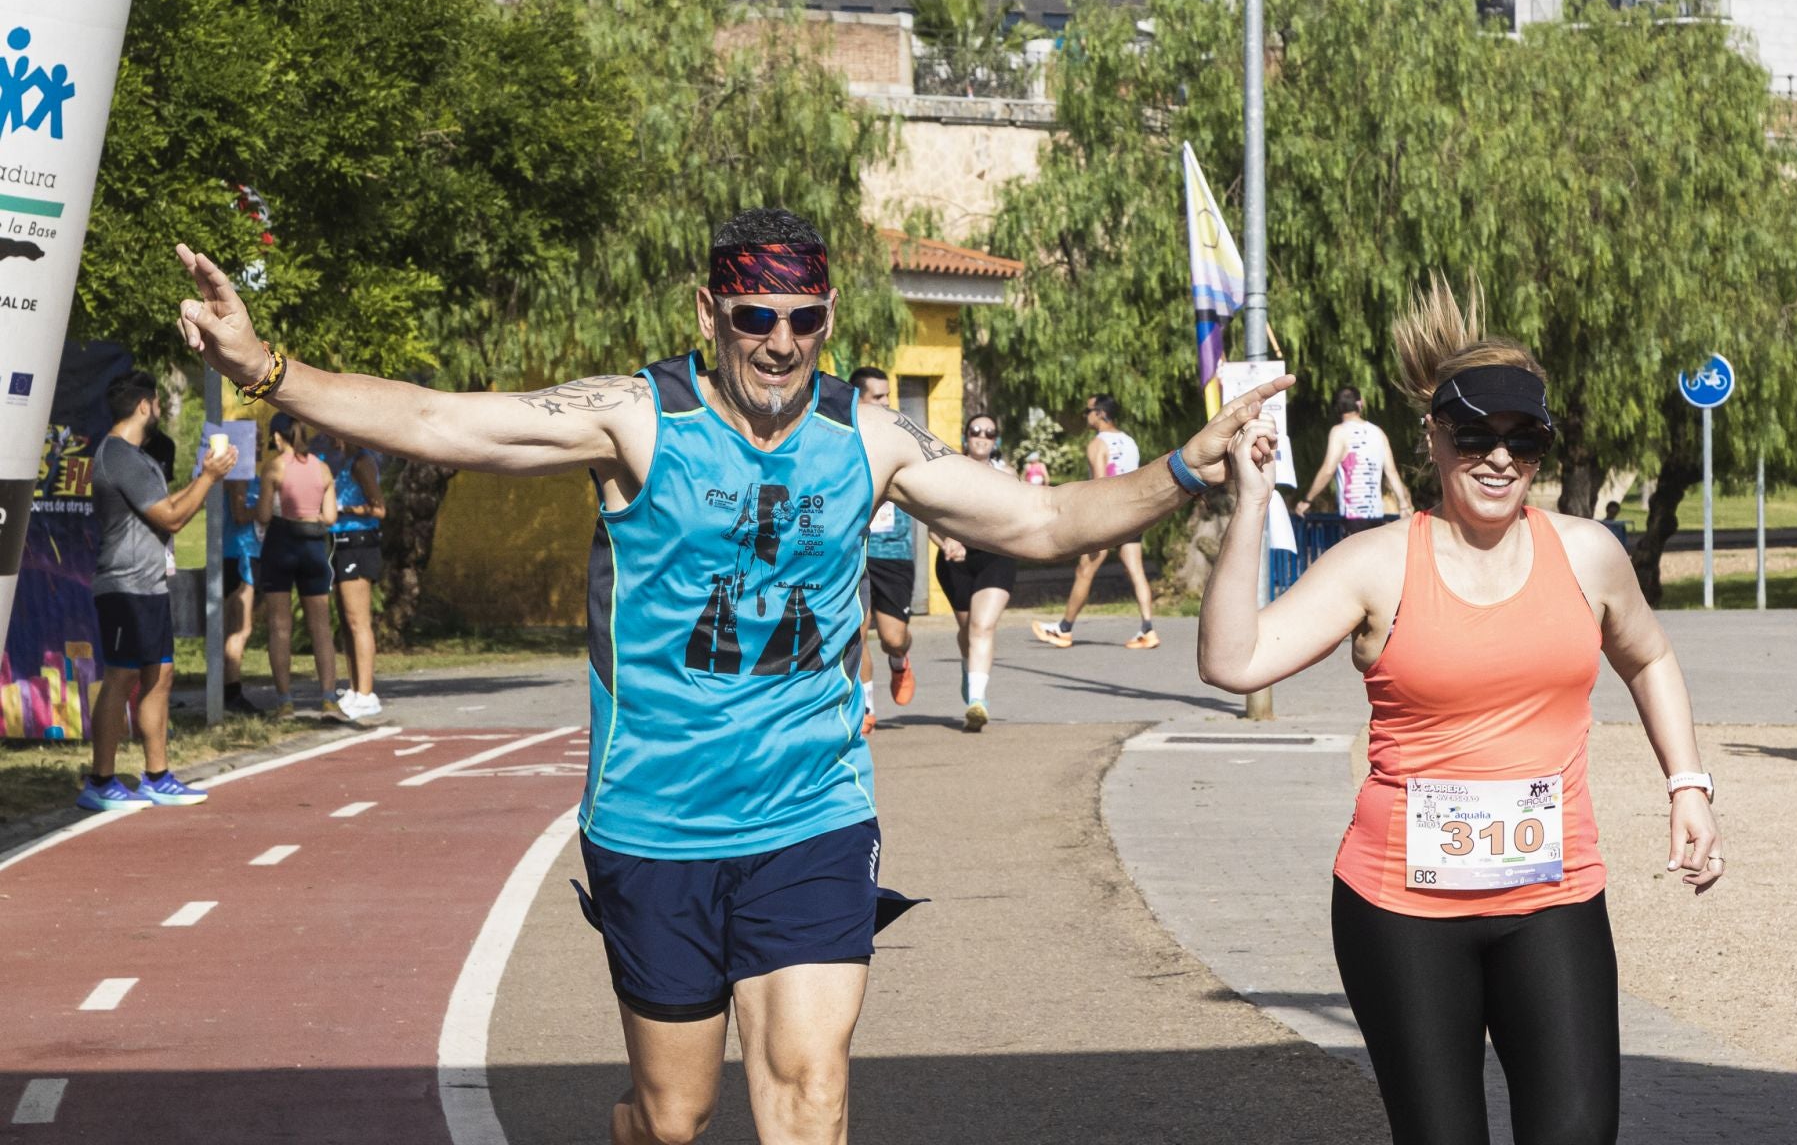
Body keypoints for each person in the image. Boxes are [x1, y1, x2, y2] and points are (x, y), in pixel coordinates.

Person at [173, 208, 1280, 1145]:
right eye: (755, 317)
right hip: (656, 818)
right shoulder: (634, 419)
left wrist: (1188, 465)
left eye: (803, 320)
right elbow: (442, 423)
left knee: (809, 1091)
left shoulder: (870, 437)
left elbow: (1042, 518)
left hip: (813, 808)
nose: (781, 343)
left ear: (829, 318)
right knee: (671, 1114)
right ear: (709, 315)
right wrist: (267, 370)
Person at [1198, 285, 1722, 1145]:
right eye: (1474, 434)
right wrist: (1250, 504)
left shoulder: (1588, 555)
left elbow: (1651, 657)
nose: (1497, 458)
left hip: (1553, 898)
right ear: (1433, 437)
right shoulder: (1378, 565)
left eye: (1524, 440)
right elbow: (1232, 660)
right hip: (1401, 909)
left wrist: (1689, 785)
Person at [78, 371, 238, 811]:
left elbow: (168, 513)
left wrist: (204, 478)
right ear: (145, 405)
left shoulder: (135, 455)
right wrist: (208, 476)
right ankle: (101, 781)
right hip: (124, 585)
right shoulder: (120, 455)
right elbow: (170, 518)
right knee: (122, 676)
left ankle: (156, 775)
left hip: (149, 585)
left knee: (160, 674)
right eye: (157, 404)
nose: (160, 412)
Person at [1031, 394, 1159, 650]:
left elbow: (1100, 486)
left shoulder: (1097, 444)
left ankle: (1064, 629)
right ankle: (1148, 629)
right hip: (1132, 514)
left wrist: (1088, 519)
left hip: (1107, 517)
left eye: (1087, 410)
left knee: (1085, 570)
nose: (1085, 416)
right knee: (1136, 571)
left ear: (1100, 413)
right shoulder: (1129, 441)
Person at [933, 413, 1020, 732]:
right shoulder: (948, 471)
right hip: (956, 562)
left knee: (983, 627)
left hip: (996, 558)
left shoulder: (1007, 476)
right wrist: (946, 542)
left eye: (989, 432)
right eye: (975, 431)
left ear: (995, 439)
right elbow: (933, 524)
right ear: (965, 435)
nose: (982, 436)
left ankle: (977, 701)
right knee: (968, 630)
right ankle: (969, 670)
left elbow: (1021, 520)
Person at [255, 413, 343, 721]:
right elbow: (330, 517)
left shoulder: (274, 467)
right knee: (320, 626)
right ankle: (329, 698)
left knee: (280, 626)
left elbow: (265, 515)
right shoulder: (322, 468)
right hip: (313, 545)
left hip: (281, 541)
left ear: (278, 438)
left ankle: (285, 701)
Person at [847, 366, 917, 732]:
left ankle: (900, 659)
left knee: (892, 637)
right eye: (879, 397)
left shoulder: (902, 436)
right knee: (858, 629)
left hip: (894, 552)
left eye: (889, 395)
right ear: (858, 398)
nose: (888, 403)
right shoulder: (840, 439)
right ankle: (867, 707)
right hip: (857, 550)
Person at [321, 436, 387, 720]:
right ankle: (355, 687)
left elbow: (379, 508)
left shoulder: (362, 462)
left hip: (360, 543)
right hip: (341, 542)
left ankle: (366, 693)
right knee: (347, 622)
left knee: (359, 621)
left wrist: (343, 510)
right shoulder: (345, 462)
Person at [1295, 384, 1413, 536]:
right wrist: (1403, 504)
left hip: (1353, 514)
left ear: (1338, 408)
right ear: (1360, 403)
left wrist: (1307, 500)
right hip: (1376, 515)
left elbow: (1328, 469)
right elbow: (1391, 472)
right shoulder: (1378, 433)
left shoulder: (1339, 432)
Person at [220, 475, 264, 715]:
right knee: (240, 628)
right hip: (240, 553)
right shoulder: (239, 477)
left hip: (244, 552)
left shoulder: (248, 475)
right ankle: (232, 692)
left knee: (232, 628)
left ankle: (224, 687)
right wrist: (267, 509)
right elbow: (239, 513)